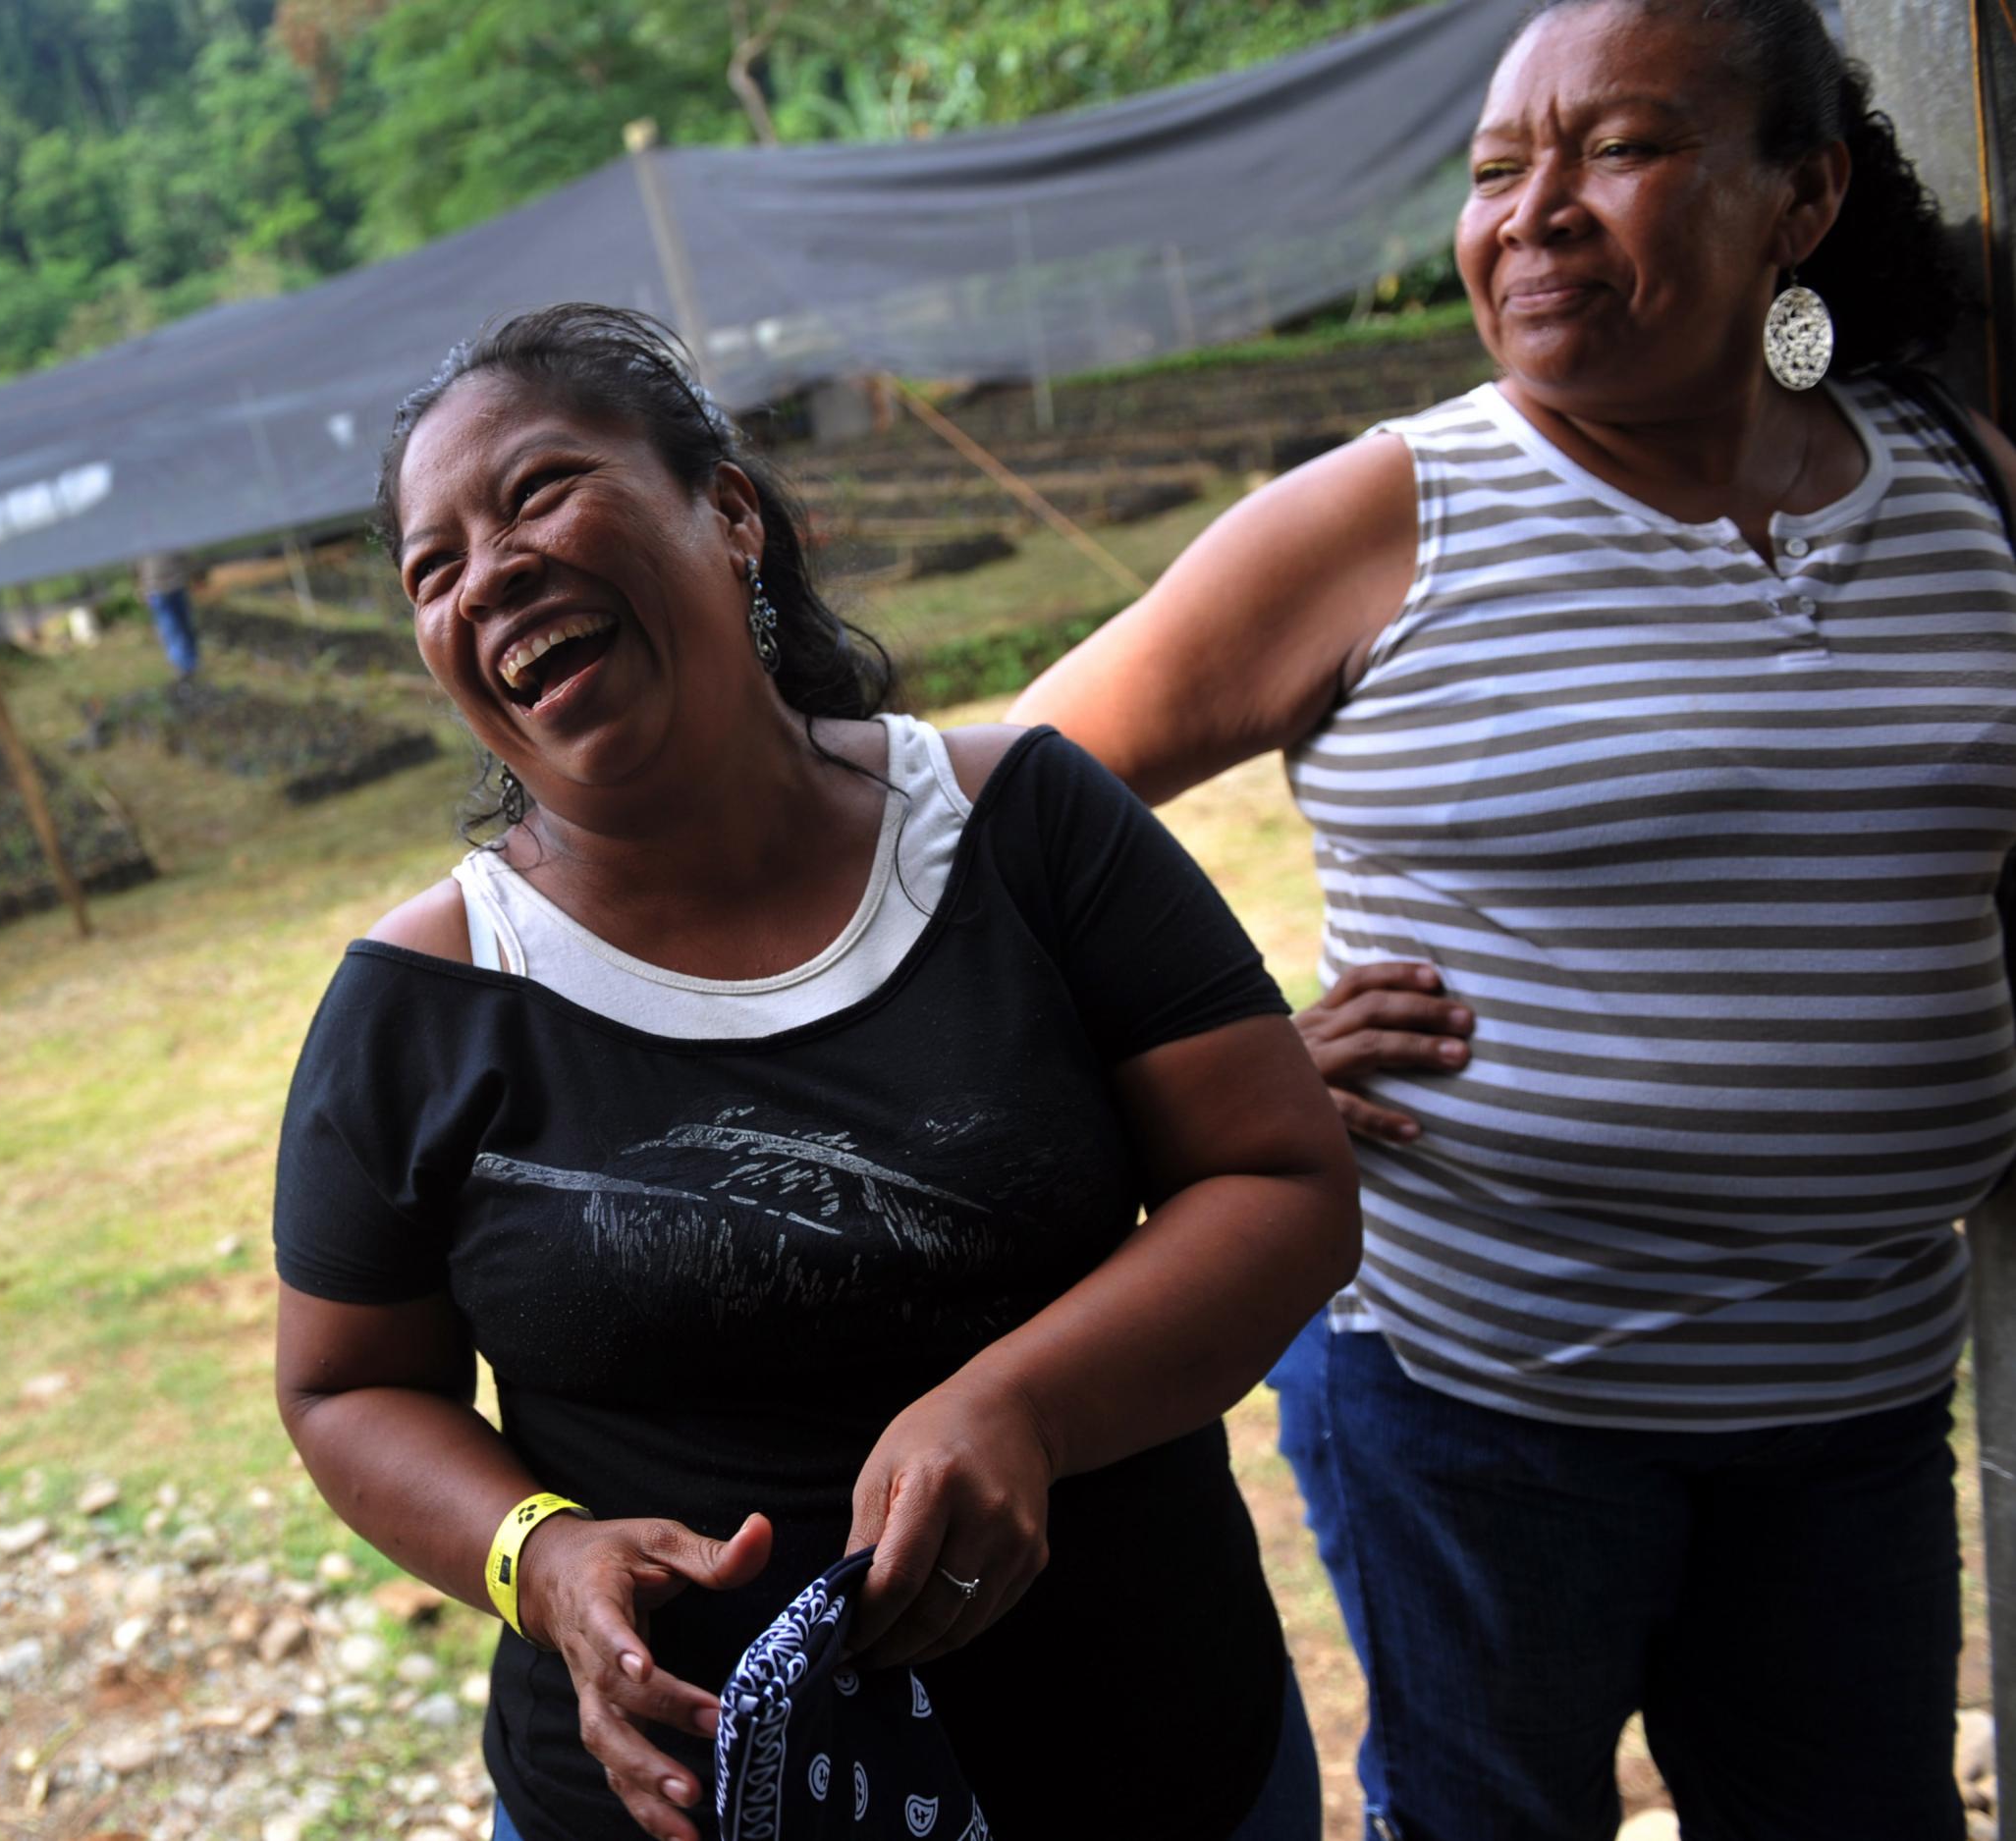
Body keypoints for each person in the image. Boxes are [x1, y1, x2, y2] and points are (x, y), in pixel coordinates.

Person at [1010, 2, 2016, 1836]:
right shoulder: (1386, 517)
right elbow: (990, 811)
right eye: (1494, 169)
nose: (1531, 212)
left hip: (1854, 1405)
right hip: (1482, 1399)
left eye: (1616, 150)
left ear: (1800, 197)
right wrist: (1196, 1084)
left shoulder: (1961, 487)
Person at [270, 304, 1360, 1841]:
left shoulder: (1022, 830)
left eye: (535, 492)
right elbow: (347, 1383)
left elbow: (1282, 1181)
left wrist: (1027, 1406)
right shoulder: (425, 1003)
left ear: (726, 513)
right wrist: (541, 1552)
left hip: (1145, 1760)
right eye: (430, 567)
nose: (487, 570)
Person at [136, 549, 198, 680]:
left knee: (182, 626)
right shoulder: (140, 541)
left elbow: (183, 554)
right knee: (171, 627)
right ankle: (183, 667)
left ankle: (189, 664)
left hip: (175, 583)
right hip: (157, 587)